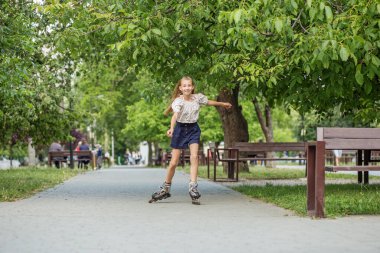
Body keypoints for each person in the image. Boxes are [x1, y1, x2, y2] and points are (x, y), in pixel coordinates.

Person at [149, 76, 232, 205]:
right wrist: (171, 128)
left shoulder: (197, 98)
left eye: (189, 85)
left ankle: (193, 187)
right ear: (181, 88)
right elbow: (175, 116)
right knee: (173, 163)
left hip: (193, 129)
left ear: (192, 87)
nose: (187, 87)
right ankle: (165, 188)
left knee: (194, 157)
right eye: (184, 86)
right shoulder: (178, 101)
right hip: (180, 130)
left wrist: (222, 104)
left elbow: (209, 102)